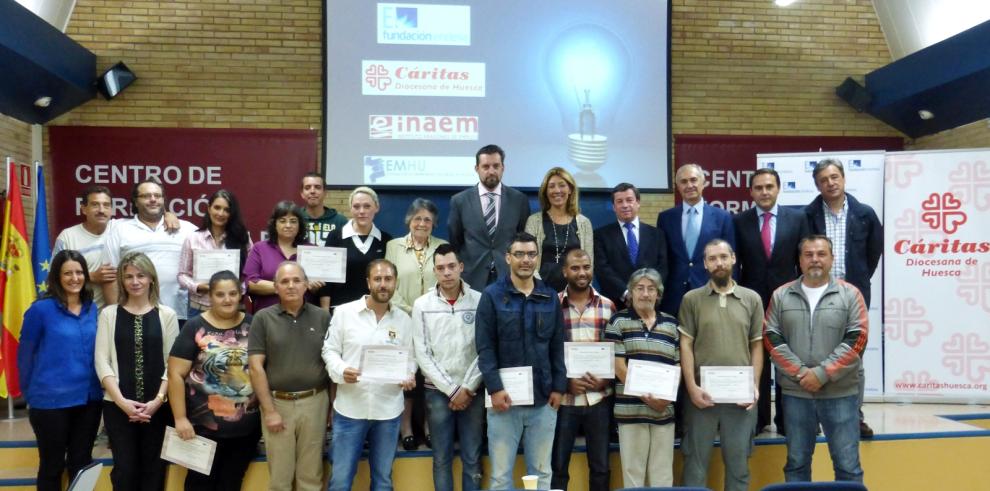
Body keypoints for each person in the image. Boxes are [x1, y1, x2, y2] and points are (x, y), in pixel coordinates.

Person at [765, 235, 868, 483]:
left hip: (840, 394)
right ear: (799, 260)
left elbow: (857, 340)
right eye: (808, 254)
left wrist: (822, 373)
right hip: (796, 394)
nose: (815, 260)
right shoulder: (781, 295)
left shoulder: (850, 294)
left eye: (821, 254)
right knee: (796, 464)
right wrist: (802, 373)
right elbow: (771, 337)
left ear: (832, 259)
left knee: (848, 466)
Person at [476, 232, 566, 490]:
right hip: (504, 402)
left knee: (541, 474)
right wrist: (494, 388)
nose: (525, 260)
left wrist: (559, 387)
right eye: (519, 254)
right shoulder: (492, 296)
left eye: (531, 254)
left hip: (543, 401)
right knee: (501, 477)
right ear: (508, 258)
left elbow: (557, 347)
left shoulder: (550, 297)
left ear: (537, 257)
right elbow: (485, 347)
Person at [804, 158, 882, 439]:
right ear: (817, 184)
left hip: (853, 297)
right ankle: (812, 418)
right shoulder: (807, 215)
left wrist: (856, 282)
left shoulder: (865, 214)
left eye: (835, 177)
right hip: (815, 295)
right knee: (814, 357)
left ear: (844, 178)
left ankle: (854, 416)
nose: (830, 183)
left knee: (853, 359)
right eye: (824, 179)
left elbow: (872, 255)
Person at [677, 239, 763, 491]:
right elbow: (685, 345)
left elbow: (756, 346)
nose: (719, 263)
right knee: (695, 465)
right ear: (704, 263)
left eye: (723, 257)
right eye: (712, 258)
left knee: (738, 467)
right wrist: (691, 387)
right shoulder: (692, 299)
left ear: (733, 258)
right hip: (701, 397)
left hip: (740, 399)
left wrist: (754, 387)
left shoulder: (752, 299)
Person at [323, 259, 416, 491]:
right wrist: (342, 370)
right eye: (377, 279)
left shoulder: (404, 320)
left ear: (395, 282)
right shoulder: (344, 313)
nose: (383, 284)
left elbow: (411, 358)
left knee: (383, 481)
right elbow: (329, 350)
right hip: (350, 410)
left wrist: (408, 374)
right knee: (341, 481)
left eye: (388, 279)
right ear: (368, 282)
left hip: (389, 412)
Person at [17, 250, 103, 491]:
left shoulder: (92, 309)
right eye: (68, 273)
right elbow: (25, 355)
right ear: (57, 276)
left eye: (79, 272)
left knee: (81, 464)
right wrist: (30, 395)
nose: (74, 278)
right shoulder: (40, 310)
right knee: (52, 466)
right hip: (49, 403)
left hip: (89, 400)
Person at [167, 270, 261, 491]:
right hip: (203, 427)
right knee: (200, 485)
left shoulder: (254, 324)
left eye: (232, 293)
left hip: (245, 429)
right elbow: (174, 374)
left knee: (231, 484)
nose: (227, 299)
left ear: (240, 295)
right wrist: (180, 418)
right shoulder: (194, 326)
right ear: (210, 296)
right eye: (220, 294)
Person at [733, 168, 810, 435]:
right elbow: (735, 263)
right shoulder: (739, 221)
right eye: (758, 187)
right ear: (751, 192)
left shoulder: (798, 219)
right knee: (757, 358)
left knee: (788, 359)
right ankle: (759, 417)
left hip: (789, 301)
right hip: (751, 301)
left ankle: (788, 420)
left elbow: (804, 259)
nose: (764, 192)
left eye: (769, 187)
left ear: (778, 189)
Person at [95, 252, 180, 491]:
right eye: (129, 276)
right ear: (121, 280)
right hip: (117, 408)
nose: (135, 281)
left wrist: (157, 401)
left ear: (151, 278)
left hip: (158, 408)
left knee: (154, 470)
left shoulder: (167, 315)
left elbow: (171, 364)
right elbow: (102, 362)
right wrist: (122, 402)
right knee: (125, 470)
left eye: (141, 275)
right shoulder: (109, 314)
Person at [247, 261, 331, 491]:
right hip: (277, 405)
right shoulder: (263, 319)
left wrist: (332, 407)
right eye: (284, 281)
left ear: (306, 285)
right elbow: (256, 367)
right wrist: (269, 411)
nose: (291, 285)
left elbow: (331, 364)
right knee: (280, 479)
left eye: (296, 280)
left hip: (315, 402)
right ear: (275, 287)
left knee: (311, 476)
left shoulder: (323, 318)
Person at [410, 244, 484, 491]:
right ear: (435, 272)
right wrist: (452, 390)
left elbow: (485, 350)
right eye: (441, 268)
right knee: (441, 459)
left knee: (472, 458)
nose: (447, 273)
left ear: (461, 267)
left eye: (452, 266)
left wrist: (467, 387)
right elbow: (422, 353)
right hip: (437, 393)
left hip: (472, 391)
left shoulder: (479, 301)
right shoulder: (422, 304)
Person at [605, 268, 679, 488]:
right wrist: (649, 398)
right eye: (639, 288)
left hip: (664, 411)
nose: (645, 294)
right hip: (631, 412)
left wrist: (664, 400)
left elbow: (678, 366)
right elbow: (618, 367)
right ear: (630, 292)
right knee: (633, 476)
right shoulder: (617, 322)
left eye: (651, 289)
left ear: (659, 294)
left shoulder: (671, 324)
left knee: (663, 476)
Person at [550, 248, 615, 491]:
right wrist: (564, 382)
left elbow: (615, 350)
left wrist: (605, 380)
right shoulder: (552, 305)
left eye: (586, 267)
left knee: (600, 468)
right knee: (558, 467)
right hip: (564, 399)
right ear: (564, 271)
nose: (581, 272)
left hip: (599, 398)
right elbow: (547, 351)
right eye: (575, 268)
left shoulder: (608, 306)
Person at [53, 186, 180, 308]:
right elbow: (53, 276)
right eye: (95, 205)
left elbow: (150, 215)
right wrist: (90, 276)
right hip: (78, 310)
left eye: (106, 205)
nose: (101, 210)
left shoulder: (120, 228)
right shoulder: (68, 237)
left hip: (112, 309)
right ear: (83, 208)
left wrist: (168, 215)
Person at [385, 198, 446, 450]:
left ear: (434, 224)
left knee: (431, 376)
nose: (422, 223)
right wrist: (412, 312)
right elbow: (390, 283)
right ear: (409, 220)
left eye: (428, 220)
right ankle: (407, 426)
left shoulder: (443, 247)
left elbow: (446, 280)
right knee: (407, 376)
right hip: (403, 320)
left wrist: (428, 313)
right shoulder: (394, 246)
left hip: (435, 322)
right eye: (418, 218)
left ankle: (430, 426)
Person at [103, 179, 197, 322]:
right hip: (135, 315)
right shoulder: (119, 230)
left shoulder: (186, 229)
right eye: (146, 196)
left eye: (157, 196)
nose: (153, 199)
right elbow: (110, 278)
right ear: (135, 201)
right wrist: (118, 317)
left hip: (180, 314)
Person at [656, 163, 735, 316]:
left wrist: (729, 292)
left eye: (693, 180)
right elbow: (662, 257)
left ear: (703, 183)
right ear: (677, 186)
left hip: (711, 291)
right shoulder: (666, 218)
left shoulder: (722, 217)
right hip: (673, 296)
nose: (689, 185)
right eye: (683, 181)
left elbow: (730, 260)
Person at [448, 144, 531, 289]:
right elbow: (455, 241)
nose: (491, 171)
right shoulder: (459, 201)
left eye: (496, 166)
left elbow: (522, 238)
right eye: (486, 167)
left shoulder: (519, 200)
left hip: (509, 277)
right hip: (472, 279)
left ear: (503, 168)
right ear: (477, 169)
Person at [177, 189, 252, 318]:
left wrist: (239, 290)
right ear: (208, 208)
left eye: (226, 210)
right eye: (217, 208)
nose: (220, 213)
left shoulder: (242, 238)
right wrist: (198, 286)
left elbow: (251, 273)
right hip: (199, 309)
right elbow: (182, 275)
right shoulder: (193, 238)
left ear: (232, 213)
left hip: (233, 308)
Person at [594, 182, 669, 310]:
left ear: (638, 202)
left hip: (650, 303)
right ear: (613, 206)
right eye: (619, 201)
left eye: (629, 200)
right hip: (616, 304)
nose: (625, 205)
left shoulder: (657, 234)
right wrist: (627, 294)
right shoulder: (601, 235)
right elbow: (602, 269)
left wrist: (648, 292)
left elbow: (663, 267)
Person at [524, 167, 594, 292]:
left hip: (574, 292)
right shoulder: (534, 221)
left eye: (562, 185)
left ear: (570, 190)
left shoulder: (584, 223)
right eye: (551, 186)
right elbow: (528, 260)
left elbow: (589, 263)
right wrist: (538, 288)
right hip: (539, 291)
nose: (557, 190)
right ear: (545, 191)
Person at [322, 186, 392, 309]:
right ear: (350, 209)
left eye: (367, 206)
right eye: (356, 206)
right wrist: (325, 312)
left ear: (376, 208)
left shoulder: (386, 240)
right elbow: (327, 281)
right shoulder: (335, 237)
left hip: (374, 310)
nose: (361, 211)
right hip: (340, 309)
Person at [243, 201, 315, 312]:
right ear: (274, 224)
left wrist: (316, 286)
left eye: (293, 221)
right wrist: (288, 288)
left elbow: (323, 287)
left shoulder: (312, 250)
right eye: (282, 221)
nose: (288, 225)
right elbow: (251, 283)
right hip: (267, 319)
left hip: (304, 317)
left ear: (299, 225)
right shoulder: (260, 248)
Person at [299, 171, 348, 245]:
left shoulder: (340, 222)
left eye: (317, 187)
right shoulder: (295, 219)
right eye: (307, 188)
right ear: (302, 193)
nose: (312, 191)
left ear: (325, 193)